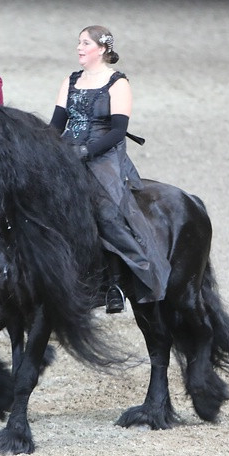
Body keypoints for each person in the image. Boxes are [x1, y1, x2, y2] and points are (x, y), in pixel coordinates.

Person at [49, 25, 169, 313]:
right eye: (78, 42)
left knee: (106, 210)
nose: (79, 47)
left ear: (102, 49)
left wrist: (87, 151)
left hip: (103, 154)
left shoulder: (117, 83)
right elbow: (56, 125)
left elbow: (117, 131)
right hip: (68, 149)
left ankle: (114, 282)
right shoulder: (71, 80)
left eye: (86, 43)